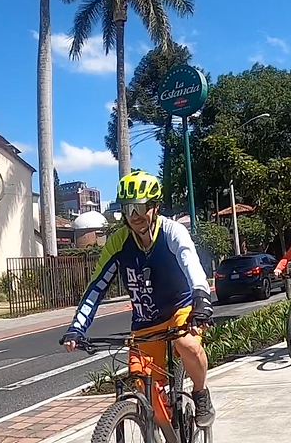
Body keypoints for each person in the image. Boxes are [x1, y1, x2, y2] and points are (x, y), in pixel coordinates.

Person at [60, 171, 216, 427]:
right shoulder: (119, 242)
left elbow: (191, 263)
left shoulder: (172, 232)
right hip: (145, 322)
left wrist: (202, 298)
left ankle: (200, 393)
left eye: (140, 207)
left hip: (181, 310)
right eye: (128, 208)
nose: (134, 216)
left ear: (155, 206)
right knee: (143, 385)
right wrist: (77, 328)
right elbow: (96, 287)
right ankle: (165, 440)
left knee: (186, 344)